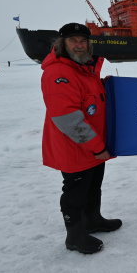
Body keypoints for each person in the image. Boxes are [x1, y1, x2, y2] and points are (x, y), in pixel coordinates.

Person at [41, 22, 121, 254]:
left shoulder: (84, 68)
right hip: (75, 147)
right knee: (75, 193)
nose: (79, 45)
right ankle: (74, 236)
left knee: (93, 186)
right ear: (61, 45)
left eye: (83, 41)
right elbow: (68, 118)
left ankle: (93, 220)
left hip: (93, 144)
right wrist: (97, 147)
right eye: (73, 40)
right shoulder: (59, 72)